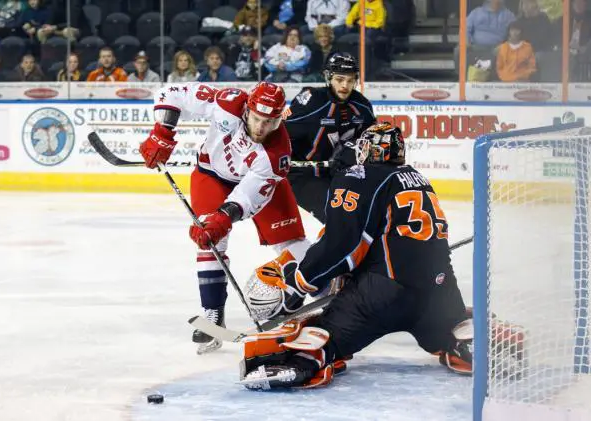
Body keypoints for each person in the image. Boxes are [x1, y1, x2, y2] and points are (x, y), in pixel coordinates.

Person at [239, 124, 525, 390]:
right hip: (440, 292)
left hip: (383, 294)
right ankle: (463, 345)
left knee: (323, 332)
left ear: (373, 150)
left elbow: (342, 246)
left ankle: (306, 362)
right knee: (444, 329)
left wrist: (300, 283)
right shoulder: (418, 178)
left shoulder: (360, 176)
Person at [137, 81, 312, 354]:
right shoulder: (227, 102)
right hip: (211, 175)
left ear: (280, 119)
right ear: (247, 110)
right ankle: (213, 314)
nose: (261, 128)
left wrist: (223, 218)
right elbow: (171, 93)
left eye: (270, 122)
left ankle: (325, 292)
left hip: (256, 187)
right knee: (210, 243)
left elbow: (248, 195)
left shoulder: (277, 154)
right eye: (257, 119)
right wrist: (162, 132)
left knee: (294, 244)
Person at [285, 52, 375, 223]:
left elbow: (370, 139)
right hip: (303, 174)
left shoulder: (362, 106)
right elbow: (281, 130)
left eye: (350, 80)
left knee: (366, 214)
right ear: (329, 77)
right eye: (340, 79)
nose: (345, 85)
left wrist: (352, 152)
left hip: (338, 175)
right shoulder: (312, 100)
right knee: (338, 217)